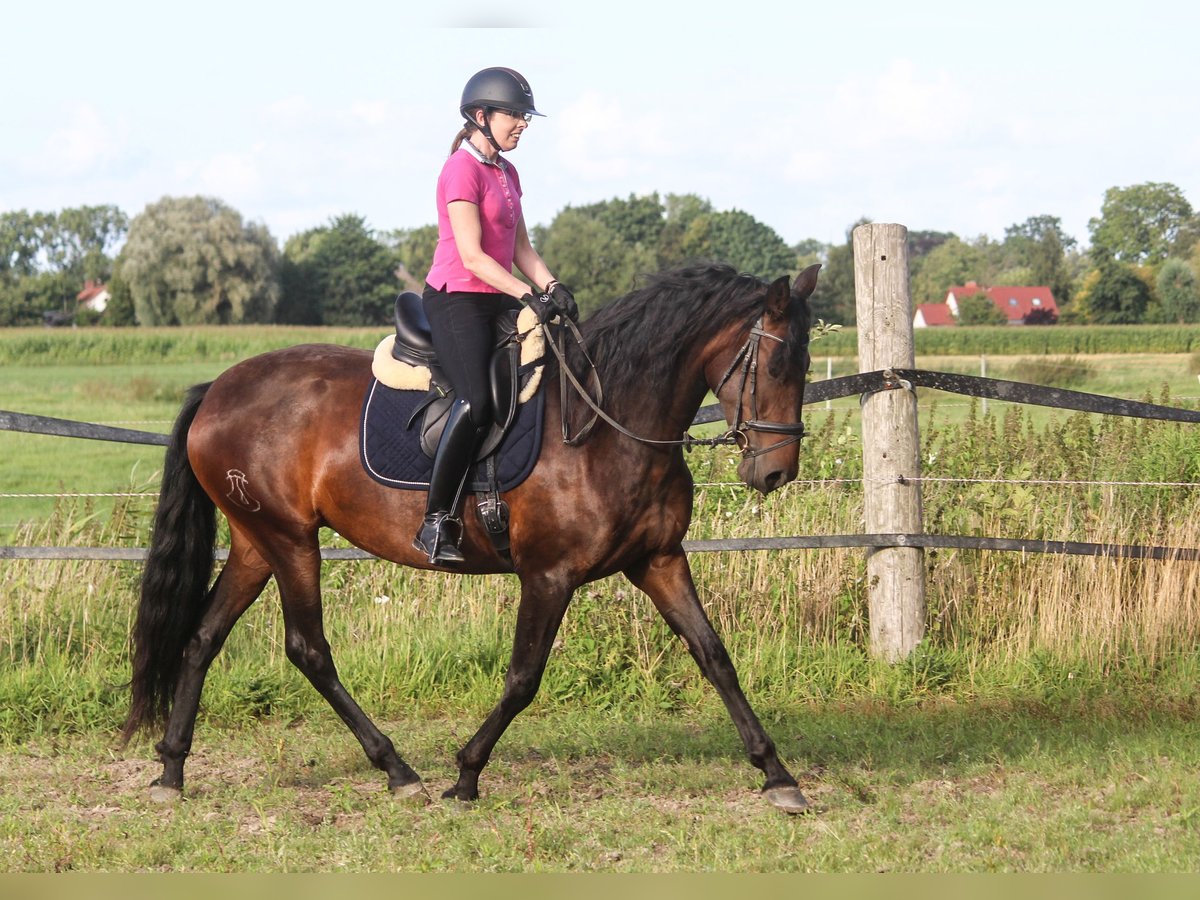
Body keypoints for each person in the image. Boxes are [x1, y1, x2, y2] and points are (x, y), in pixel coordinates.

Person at [415, 66, 578, 566]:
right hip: (457, 298)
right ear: (481, 116)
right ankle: (435, 520)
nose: (523, 124)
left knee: (547, 370)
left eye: (525, 116)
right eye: (515, 115)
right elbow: (473, 256)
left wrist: (553, 286)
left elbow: (521, 247)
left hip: (496, 296)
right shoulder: (459, 171)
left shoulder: (507, 173)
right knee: (478, 400)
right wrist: (528, 296)